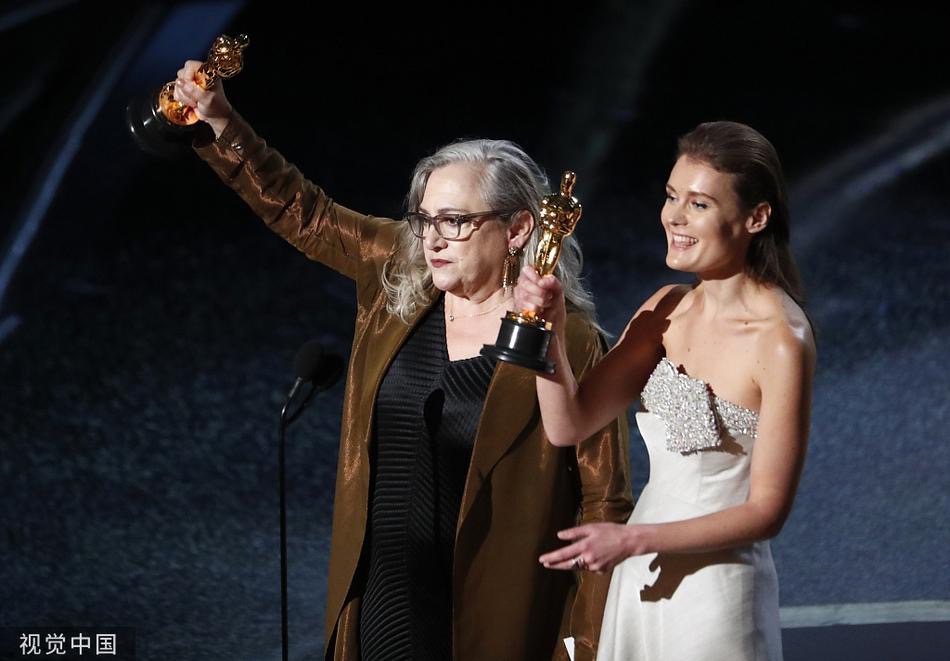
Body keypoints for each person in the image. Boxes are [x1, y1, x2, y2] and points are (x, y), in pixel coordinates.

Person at [172, 61, 633, 660]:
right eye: (424, 219)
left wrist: (584, 647)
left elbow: (603, 502)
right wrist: (221, 122)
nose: (431, 239)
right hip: (380, 600)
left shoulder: (569, 342)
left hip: (490, 617)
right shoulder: (400, 273)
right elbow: (302, 211)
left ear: (519, 229)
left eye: (455, 222)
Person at [515, 121, 816, 660]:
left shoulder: (780, 340)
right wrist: (550, 330)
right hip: (639, 573)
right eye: (672, 196)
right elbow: (569, 424)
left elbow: (767, 511)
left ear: (756, 218)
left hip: (716, 591)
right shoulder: (666, 308)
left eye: (699, 204)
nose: (674, 216)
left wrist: (631, 539)